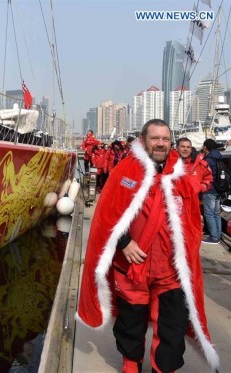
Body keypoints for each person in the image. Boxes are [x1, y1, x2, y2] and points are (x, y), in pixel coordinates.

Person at [77, 119, 219, 373]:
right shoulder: (125, 171)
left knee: (171, 329)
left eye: (165, 139)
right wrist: (124, 242)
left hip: (170, 271)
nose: (161, 144)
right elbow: (107, 215)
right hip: (132, 267)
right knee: (131, 324)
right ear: (143, 140)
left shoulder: (181, 175)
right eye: (155, 138)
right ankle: (131, 365)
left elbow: (192, 222)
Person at [202, 138, 223, 244]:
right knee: (216, 213)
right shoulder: (219, 157)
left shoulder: (208, 160)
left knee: (209, 214)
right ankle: (218, 235)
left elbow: (204, 175)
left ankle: (214, 237)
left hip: (209, 189)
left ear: (205, 147)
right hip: (219, 189)